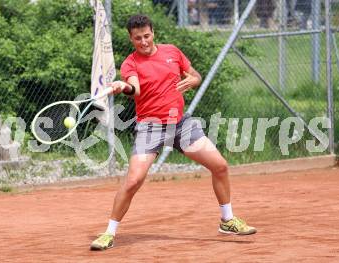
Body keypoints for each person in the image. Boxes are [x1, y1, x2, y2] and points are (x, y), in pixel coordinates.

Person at [90, 14, 256, 251]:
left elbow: (195, 75)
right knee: (134, 181)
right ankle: (109, 232)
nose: (144, 41)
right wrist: (121, 86)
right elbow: (133, 88)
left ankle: (227, 220)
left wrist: (192, 81)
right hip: (150, 128)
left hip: (180, 124)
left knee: (220, 166)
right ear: (131, 38)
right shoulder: (130, 63)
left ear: (153, 32)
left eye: (146, 36)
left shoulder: (172, 52)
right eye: (138, 38)